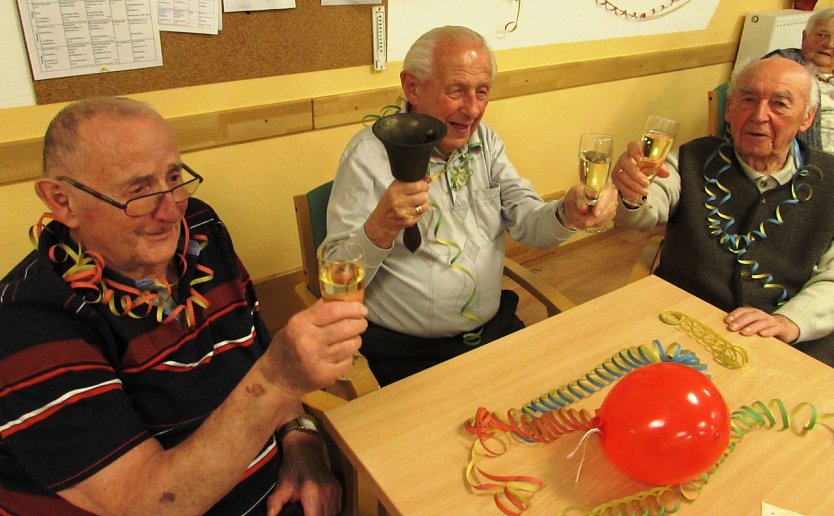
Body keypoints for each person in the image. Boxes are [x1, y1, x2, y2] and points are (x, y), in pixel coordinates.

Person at [0, 97, 368, 514]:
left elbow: (252, 349)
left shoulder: (201, 229)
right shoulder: (28, 323)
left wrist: (303, 442)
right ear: (62, 201)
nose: (170, 209)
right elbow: (144, 505)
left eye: (174, 177)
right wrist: (279, 378)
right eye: (137, 191)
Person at [324, 26, 617, 386]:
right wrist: (380, 227)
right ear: (412, 87)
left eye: (482, 92)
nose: (473, 109)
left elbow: (527, 221)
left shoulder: (485, 142)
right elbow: (336, 277)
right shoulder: (368, 156)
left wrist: (566, 214)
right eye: (456, 91)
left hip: (493, 333)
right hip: (409, 354)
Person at [613, 56, 834, 366]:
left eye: (780, 104)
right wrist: (632, 191)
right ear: (730, 109)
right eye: (747, 99)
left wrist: (790, 322)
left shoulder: (830, 180)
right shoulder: (690, 159)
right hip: (684, 326)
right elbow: (645, 210)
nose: (759, 115)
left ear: (807, 117)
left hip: (789, 343)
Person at [765, 7, 834, 152]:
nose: (829, 44)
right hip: (812, 160)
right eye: (822, 35)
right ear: (804, 37)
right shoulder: (781, 66)